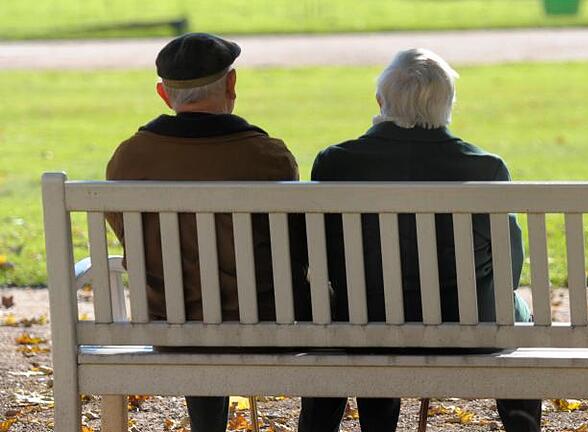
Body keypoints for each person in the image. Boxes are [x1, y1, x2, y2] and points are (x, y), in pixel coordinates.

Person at [299, 48, 540, 432]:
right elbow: (509, 267)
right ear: (448, 105)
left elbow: (322, 257)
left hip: (366, 328)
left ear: (380, 101)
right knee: (516, 311)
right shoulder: (485, 168)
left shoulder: (335, 162)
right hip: (469, 329)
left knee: (362, 309)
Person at [104, 33, 308, 432]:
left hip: (170, 327)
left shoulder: (129, 158)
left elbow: (129, 235)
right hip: (265, 324)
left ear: (164, 94)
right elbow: (293, 242)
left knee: (191, 292)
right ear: (231, 84)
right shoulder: (267, 157)